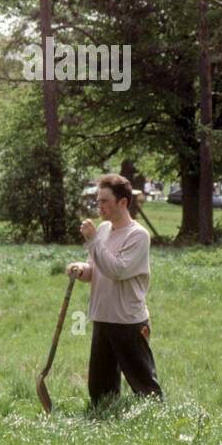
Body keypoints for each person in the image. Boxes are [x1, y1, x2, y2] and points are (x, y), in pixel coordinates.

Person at [67, 173, 162, 408]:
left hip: (128, 320)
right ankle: (103, 417)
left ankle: (156, 418)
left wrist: (92, 241)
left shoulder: (138, 235)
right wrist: (81, 269)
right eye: (98, 200)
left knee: (143, 383)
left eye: (104, 201)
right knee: (100, 389)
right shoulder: (103, 230)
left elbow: (117, 270)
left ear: (123, 202)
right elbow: (96, 269)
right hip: (102, 316)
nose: (99, 206)